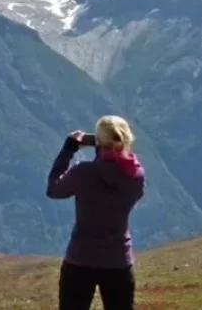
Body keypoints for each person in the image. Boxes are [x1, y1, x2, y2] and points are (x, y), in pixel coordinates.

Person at [46, 115, 145, 310]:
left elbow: (53, 190)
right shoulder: (136, 175)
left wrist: (68, 149)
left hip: (80, 258)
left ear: (97, 142)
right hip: (118, 260)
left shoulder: (84, 172)